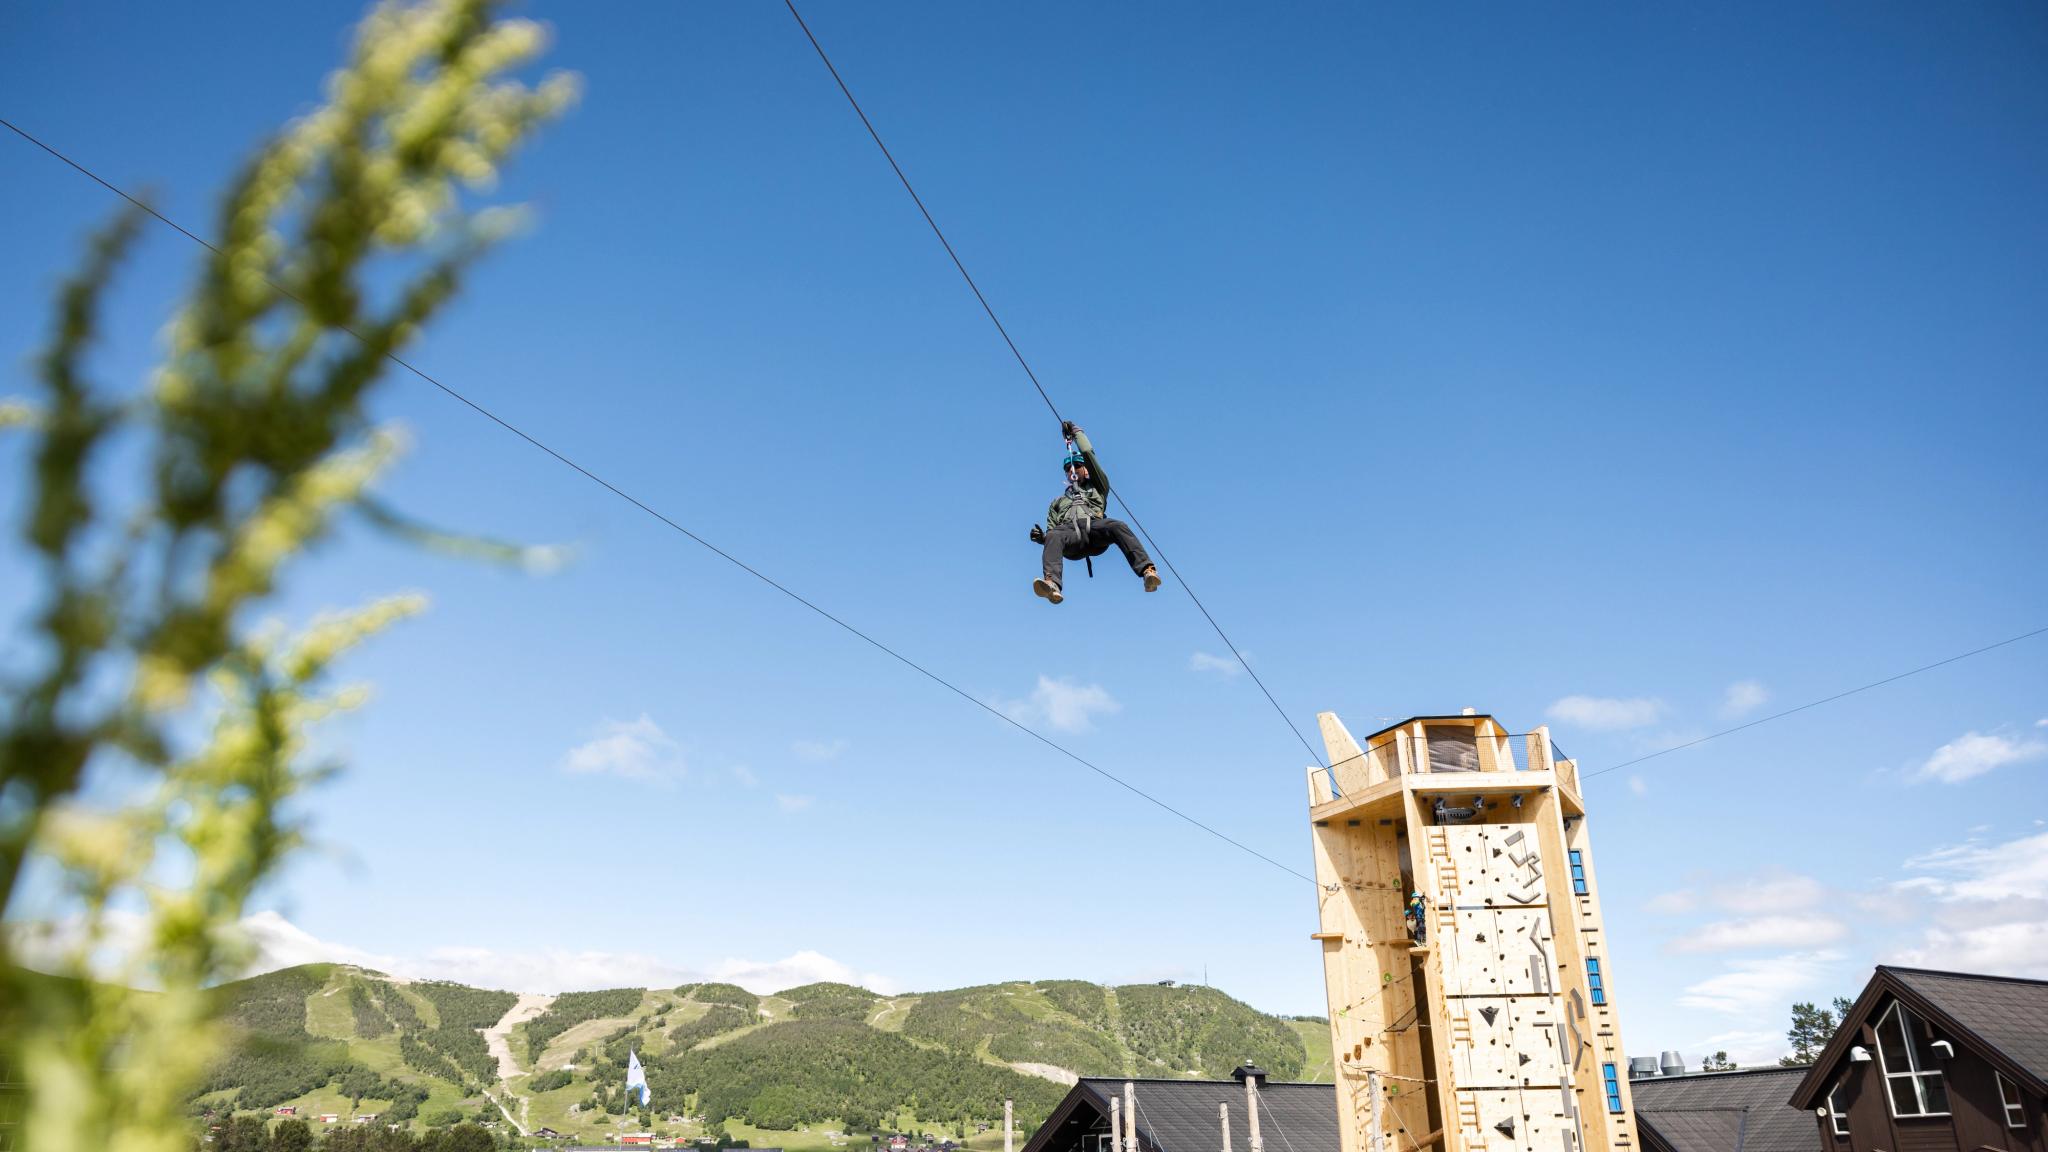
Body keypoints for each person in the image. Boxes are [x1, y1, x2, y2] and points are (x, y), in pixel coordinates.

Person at [1029, 421, 1161, 604]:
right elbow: (1052, 535)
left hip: (1094, 530)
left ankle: (1147, 571)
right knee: (1053, 535)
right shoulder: (1057, 503)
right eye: (1068, 469)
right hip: (1071, 538)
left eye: (1076, 466)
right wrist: (1042, 538)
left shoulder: (1098, 486)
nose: (1071, 470)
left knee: (1117, 526)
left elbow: (1088, 454)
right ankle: (1052, 584)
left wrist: (1077, 434)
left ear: (1085, 469)